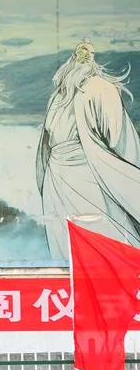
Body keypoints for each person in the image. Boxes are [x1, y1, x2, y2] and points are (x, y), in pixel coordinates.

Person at [36, 41, 140, 259]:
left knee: (99, 235)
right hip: (69, 174)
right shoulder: (87, 90)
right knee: (79, 236)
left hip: (74, 171)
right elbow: (118, 138)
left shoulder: (69, 93)